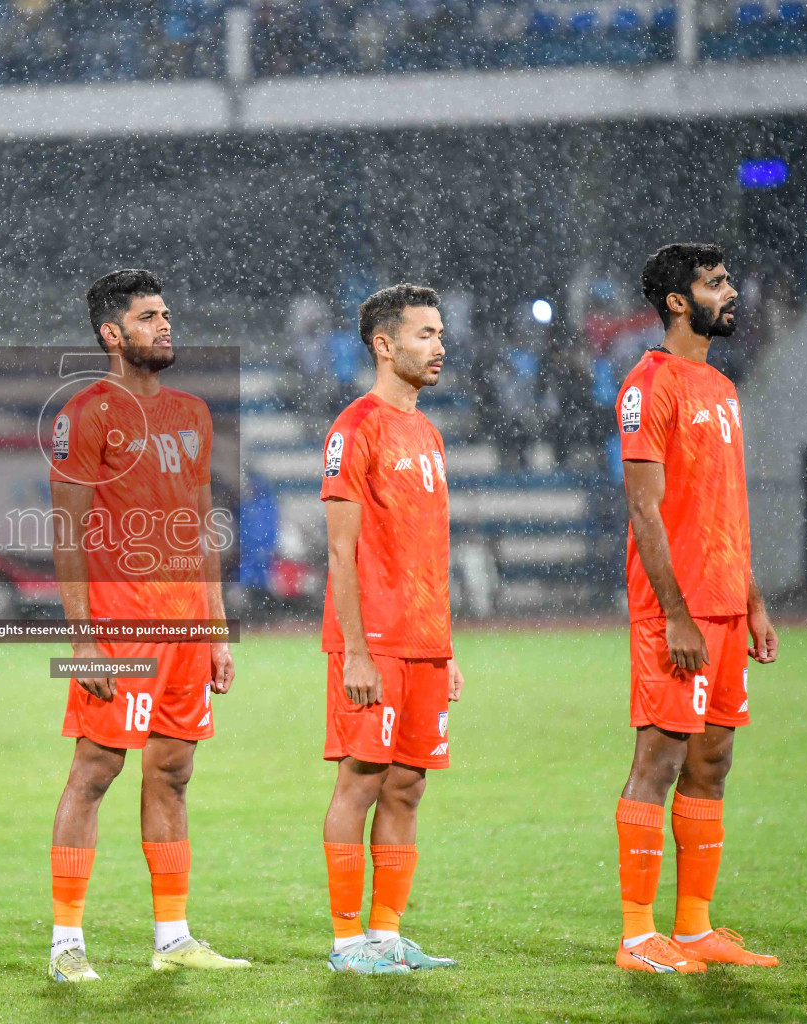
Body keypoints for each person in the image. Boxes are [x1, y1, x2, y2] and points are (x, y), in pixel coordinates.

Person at [45, 269, 246, 983]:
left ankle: (173, 936)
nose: (166, 325)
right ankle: (66, 943)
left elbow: (199, 526)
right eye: (149, 316)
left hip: (185, 627)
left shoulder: (192, 412)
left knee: (174, 772)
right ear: (112, 333)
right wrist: (82, 636)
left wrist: (216, 629)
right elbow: (65, 534)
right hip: (118, 628)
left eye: (167, 313)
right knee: (96, 769)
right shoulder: (87, 413)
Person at [612, 244, 779, 973]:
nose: (731, 292)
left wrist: (754, 601)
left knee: (713, 762)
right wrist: (676, 612)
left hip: (726, 607)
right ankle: (636, 936)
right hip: (672, 610)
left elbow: (728, 509)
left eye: (728, 280)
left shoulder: (722, 387)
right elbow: (646, 511)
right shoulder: (649, 387)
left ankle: (693, 928)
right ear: (678, 300)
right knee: (659, 757)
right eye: (716, 283)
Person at [319, 284, 462, 975]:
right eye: (425, 334)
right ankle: (348, 944)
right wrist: (355, 651)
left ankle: (386, 933)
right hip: (373, 644)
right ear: (385, 344)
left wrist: (446, 648)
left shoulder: (427, 432)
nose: (440, 346)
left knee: (408, 788)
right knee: (361, 781)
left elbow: (427, 549)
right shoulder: (356, 427)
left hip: (425, 642)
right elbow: (340, 550)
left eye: (440, 334)